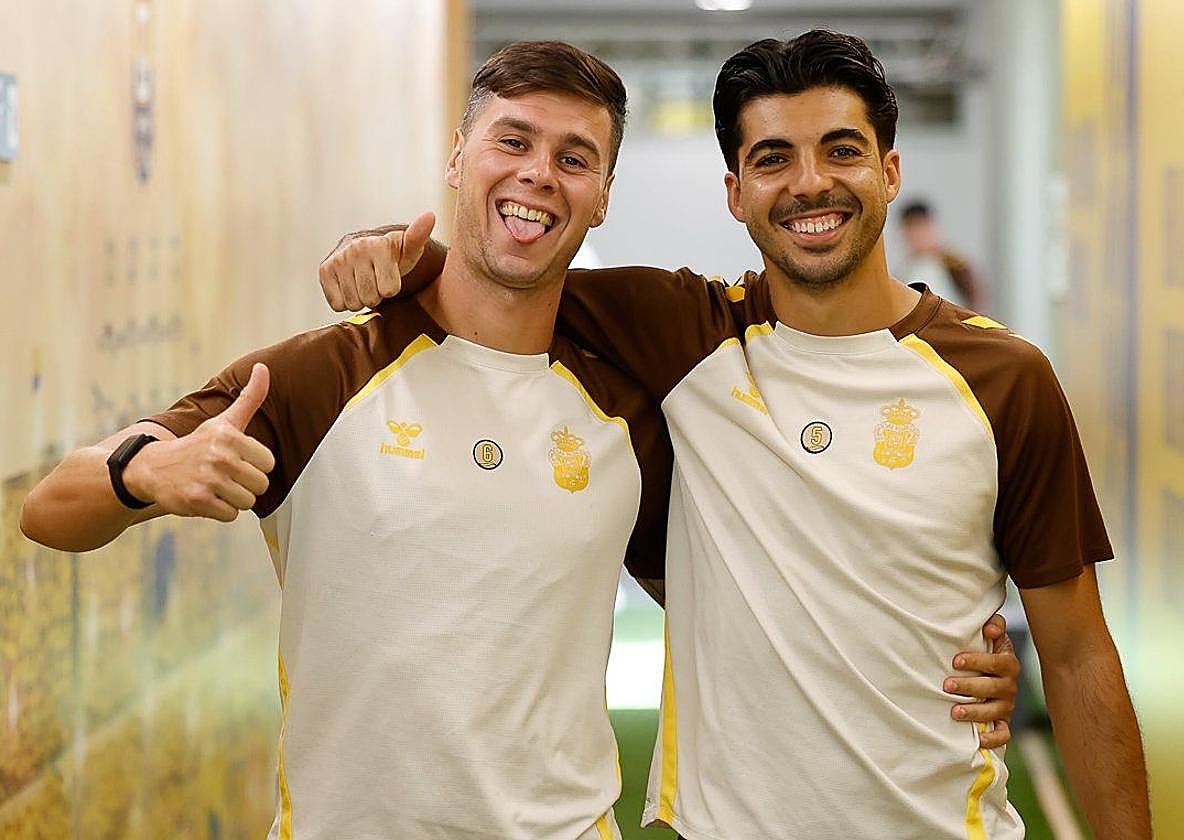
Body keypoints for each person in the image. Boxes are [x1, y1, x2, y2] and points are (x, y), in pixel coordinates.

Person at [17, 41, 1015, 840]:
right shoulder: (323, 375)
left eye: (574, 157)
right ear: (458, 159)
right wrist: (145, 470)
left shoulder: (628, 408)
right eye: (512, 141)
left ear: (604, 194)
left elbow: (750, 593)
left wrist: (936, 657)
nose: (539, 174)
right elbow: (49, 509)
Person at [321, 31, 1150, 840]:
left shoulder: (1005, 377)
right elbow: (504, 273)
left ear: (889, 172)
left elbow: (1077, 655)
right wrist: (391, 252)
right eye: (773, 159)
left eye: (842, 150)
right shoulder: (688, 335)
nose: (810, 183)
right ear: (735, 191)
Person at [900, 200, 984, 310]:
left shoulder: (953, 263)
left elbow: (974, 298)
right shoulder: (905, 269)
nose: (916, 235)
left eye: (920, 227)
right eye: (910, 228)